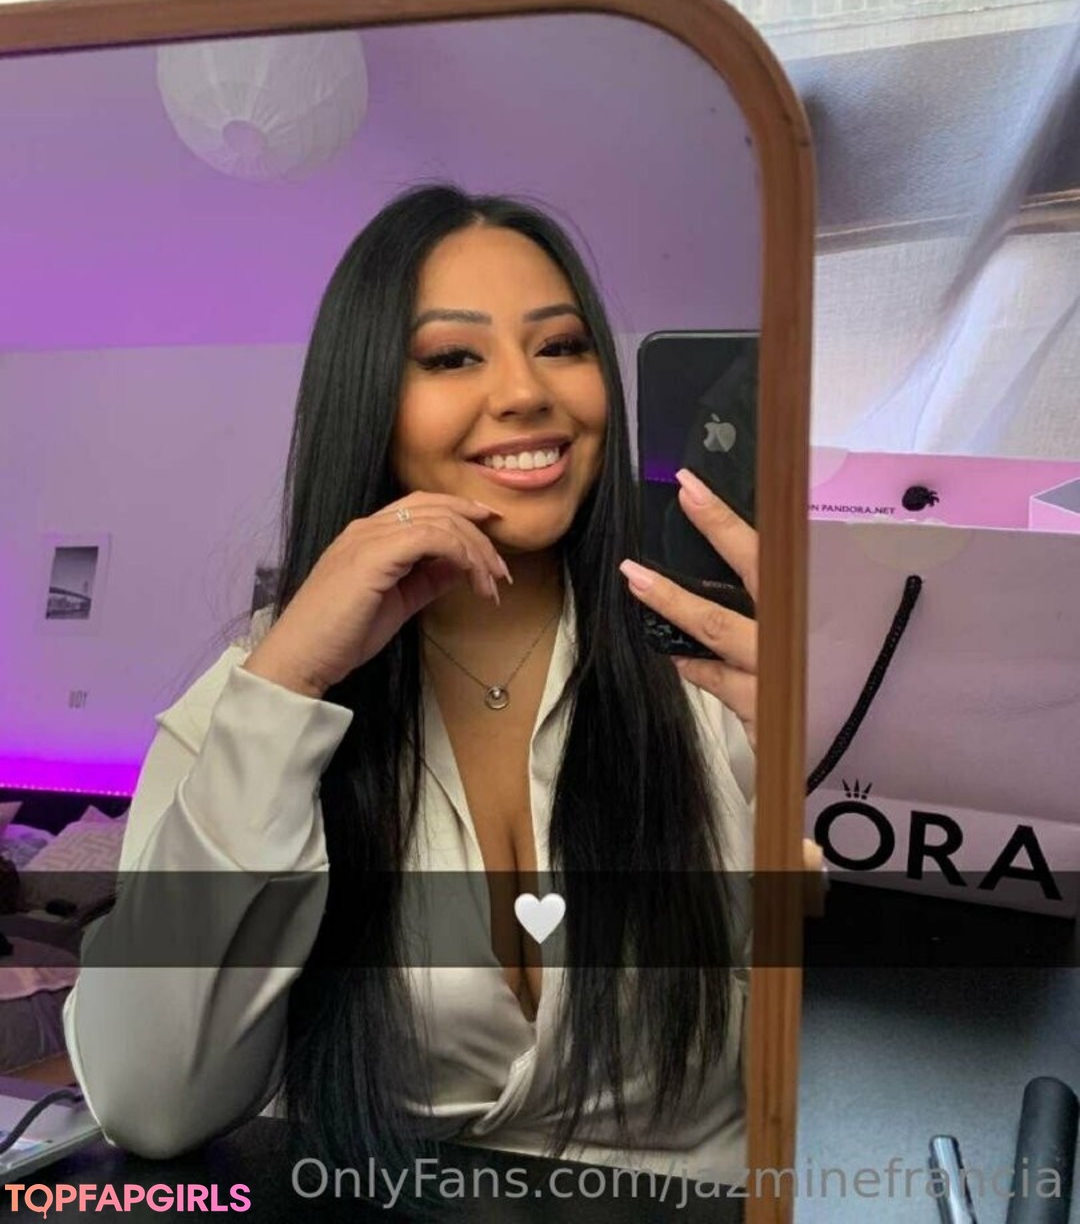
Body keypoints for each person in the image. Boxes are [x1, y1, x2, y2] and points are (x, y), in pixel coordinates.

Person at [63, 184, 758, 1188]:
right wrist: (287, 684)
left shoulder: (713, 677)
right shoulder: (253, 695)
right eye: (452, 357)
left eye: (562, 345)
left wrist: (812, 752)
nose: (526, 392)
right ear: (370, 404)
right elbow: (151, 1102)